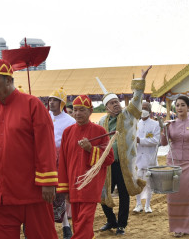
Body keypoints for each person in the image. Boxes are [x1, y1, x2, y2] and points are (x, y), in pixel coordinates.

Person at [0, 59, 58, 239]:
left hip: (33, 193)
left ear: (9, 80)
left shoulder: (33, 105)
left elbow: (46, 146)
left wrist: (48, 182)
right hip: (1, 196)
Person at [98, 65, 152, 235]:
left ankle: (121, 224)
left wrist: (141, 81)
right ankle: (110, 221)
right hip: (107, 163)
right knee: (103, 192)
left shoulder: (128, 114)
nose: (116, 105)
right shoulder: (101, 122)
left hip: (124, 163)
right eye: (112, 103)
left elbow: (136, 98)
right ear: (106, 107)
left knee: (123, 193)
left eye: (117, 102)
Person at [57, 95, 114, 239]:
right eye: (75, 110)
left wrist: (91, 149)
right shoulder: (67, 132)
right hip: (73, 186)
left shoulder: (100, 131)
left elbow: (109, 158)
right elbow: (63, 162)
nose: (77, 113)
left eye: (82, 110)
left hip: (91, 185)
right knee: (78, 224)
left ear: (90, 111)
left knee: (84, 221)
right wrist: (64, 188)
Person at [160, 96, 189, 238]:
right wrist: (163, 130)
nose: (179, 108)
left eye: (183, 105)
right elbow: (164, 143)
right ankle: (176, 227)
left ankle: (186, 227)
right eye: (177, 105)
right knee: (173, 195)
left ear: (188, 107)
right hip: (172, 162)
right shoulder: (170, 124)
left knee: (187, 195)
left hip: (188, 163)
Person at [48, 87, 76, 239]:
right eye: (50, 100)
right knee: (47, 194)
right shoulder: (44, 116)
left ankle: (65, 224)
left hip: (62, 160)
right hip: (45, 159)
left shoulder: (70, 121)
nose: (51, 103)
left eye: (55, 100)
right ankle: (51, 226)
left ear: (62, 103)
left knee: (61, 193)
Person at [133, 101, 160, 213]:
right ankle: (138, 204)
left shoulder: (155, 124)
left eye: (146, 108)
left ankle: (148, 205)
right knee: (137, 181)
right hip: (138, 158)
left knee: (149, 183)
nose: (143, 110)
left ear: (149, 110)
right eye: (142, 108)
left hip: (150, 158)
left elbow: (155, 140)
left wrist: (141, 140)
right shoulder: (135, 124)